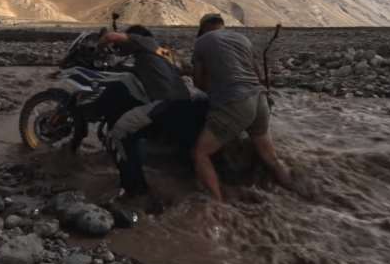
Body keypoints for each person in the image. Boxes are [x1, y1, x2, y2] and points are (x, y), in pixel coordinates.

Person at [191, 13, 292, 201]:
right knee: (270, 158)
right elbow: (258, 74)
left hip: (235, 101)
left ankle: (218, 205)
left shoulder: (202, 42)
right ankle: (295, 189)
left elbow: (198, 82)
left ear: (203, 28)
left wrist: (216, 90)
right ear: (222, 25)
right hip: (259, 99)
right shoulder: (242, 39)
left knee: (201, 153)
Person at [98, 25, 197, 198]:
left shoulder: (143, 41)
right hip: (183, 102)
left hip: (165, 103)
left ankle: (134, 189)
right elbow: (183, 67)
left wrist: (100, 44)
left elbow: (111, 38)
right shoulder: (161, 52)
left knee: (119, 132)